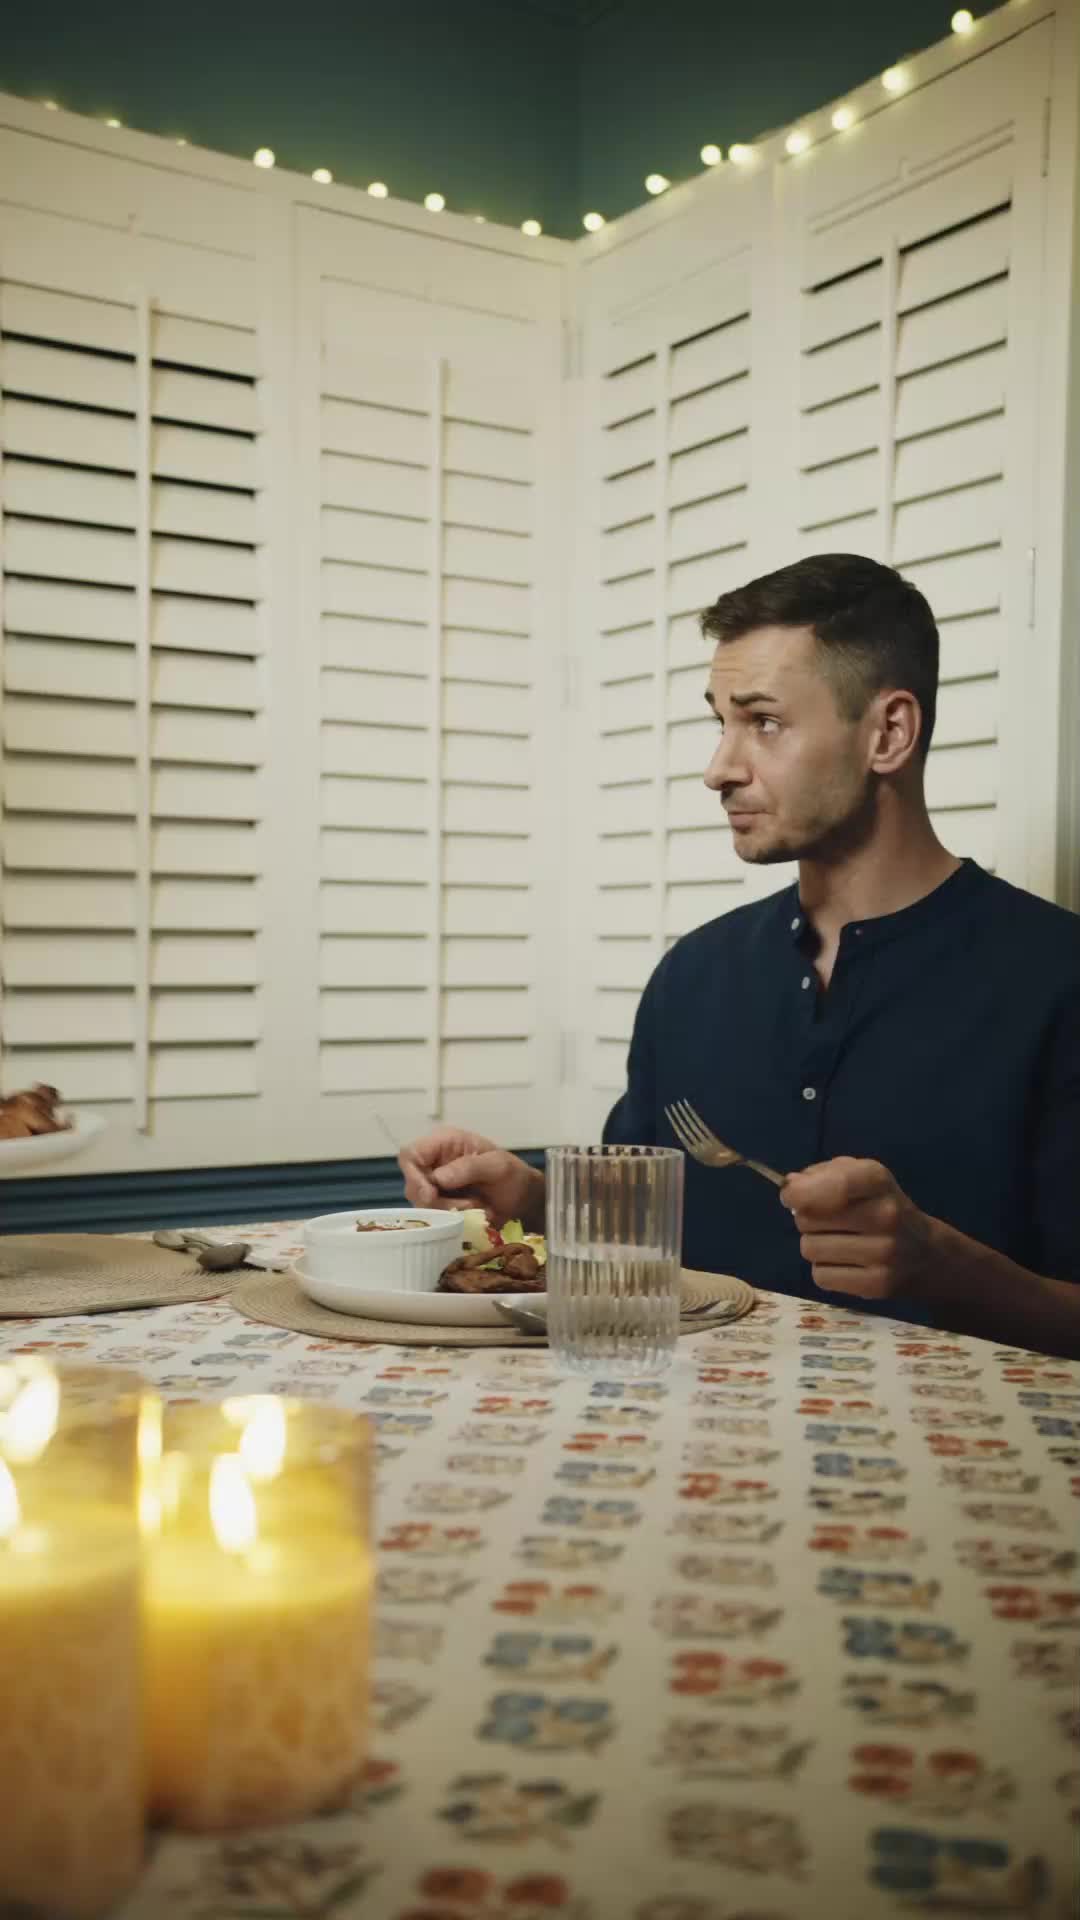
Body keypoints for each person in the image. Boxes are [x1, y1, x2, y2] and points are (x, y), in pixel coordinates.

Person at [401, 554, 1080, 1354]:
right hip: (680, 1422)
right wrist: (532, 1200)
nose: (718, 769)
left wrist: (943, 1268)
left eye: (764, 723)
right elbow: (641, 1240)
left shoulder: (1056, 978)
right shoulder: (692, 977)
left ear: (889, 733)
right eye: (720, 723)